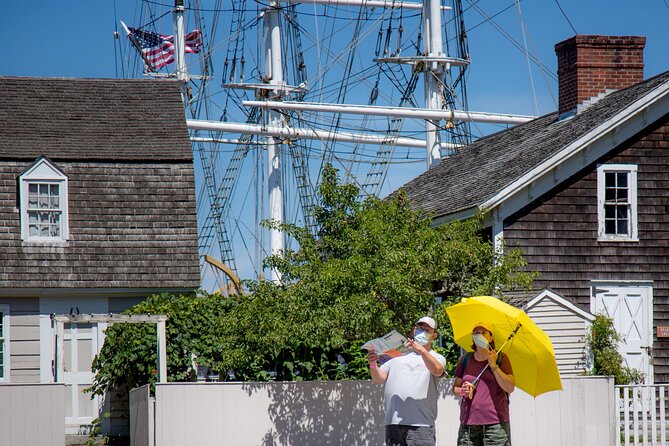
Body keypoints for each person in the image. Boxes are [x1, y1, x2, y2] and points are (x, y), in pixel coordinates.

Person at [367, 316, 447, 446]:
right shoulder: (397, 355)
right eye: (420, 328)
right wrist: (372, 363)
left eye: (427, 329)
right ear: (414, 330)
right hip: (394, 422)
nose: (423, 331)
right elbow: (378, 379)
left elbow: (438, 371)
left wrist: (421, 351)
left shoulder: (437, 357)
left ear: (434, 335)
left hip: (421, 424)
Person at [453, 321, 515, 446]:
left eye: (483, 332)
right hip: (468, 426)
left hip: (495, 426)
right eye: (476, 333)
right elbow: (455, 388)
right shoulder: (465, 359)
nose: (479, 335)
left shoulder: (501, 358)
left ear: (490, 337)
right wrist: (462, 390)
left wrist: (494, 366)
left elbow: (510, 387)